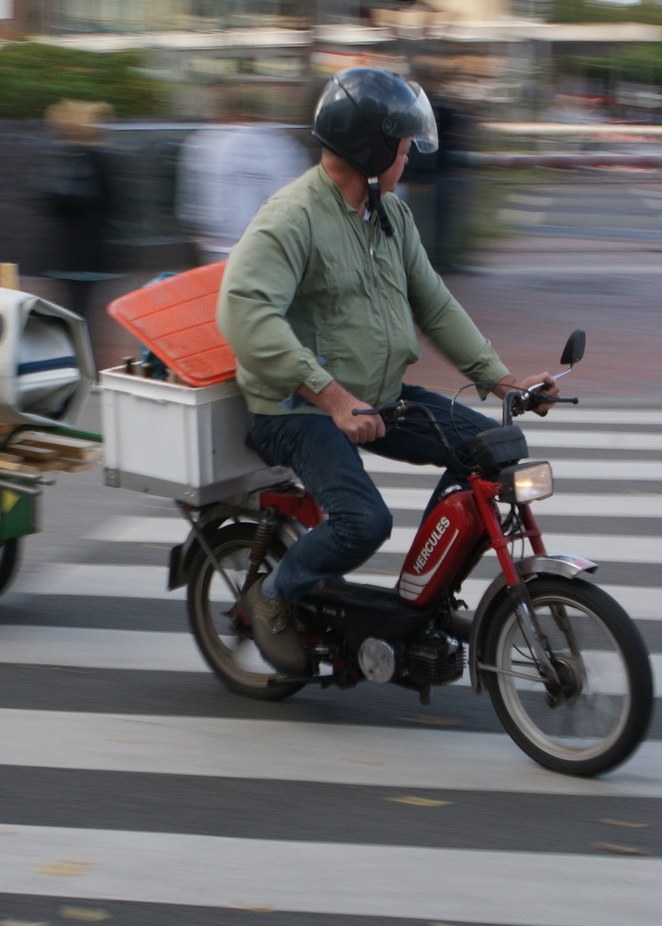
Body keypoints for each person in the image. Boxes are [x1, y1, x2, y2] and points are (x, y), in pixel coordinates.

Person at [216, 67, 559, 677]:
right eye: (402, 144)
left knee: (492, 450)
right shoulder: (292, 216)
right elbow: (243, 314)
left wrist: (501, 379)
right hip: (294, 409)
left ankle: (422, 597)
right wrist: (331, 396)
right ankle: (271, 596)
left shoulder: (390, 217)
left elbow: (433, 302)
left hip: (379, 396)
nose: (409, 154)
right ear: (372, 148)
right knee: (363, 521)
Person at [176, 87, 311, 264]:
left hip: (219, 244)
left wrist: (197, 232)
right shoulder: (282, 144)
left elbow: (192, 197)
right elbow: (295, 194)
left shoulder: (204, 142)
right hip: (265, 242)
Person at [42, 100, 120, 318]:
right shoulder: (98, 160)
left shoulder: (65, 158)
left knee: (73, 310)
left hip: (67, 253)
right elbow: (114, 204)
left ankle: (75, 347)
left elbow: (50, 203)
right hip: (89, 252)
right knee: (79, 311)